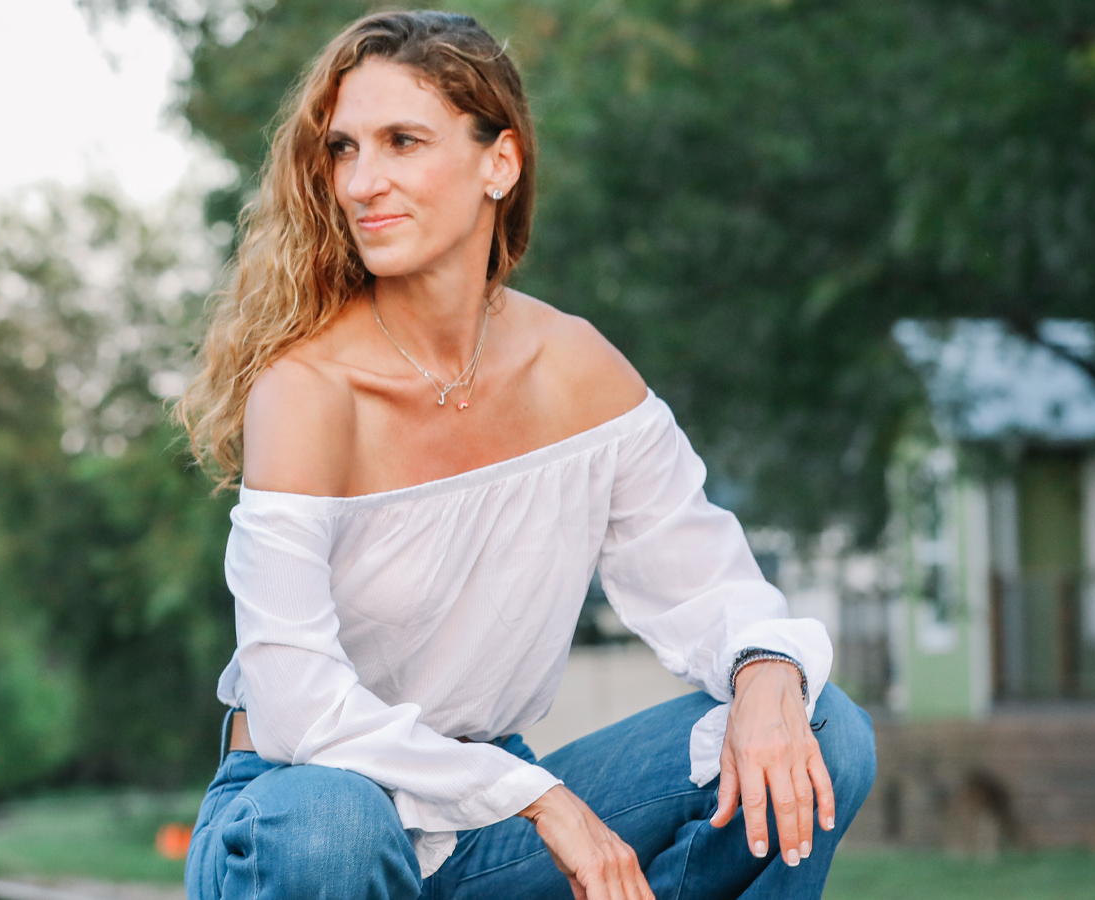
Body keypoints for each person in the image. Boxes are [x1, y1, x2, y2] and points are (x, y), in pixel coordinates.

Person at [171, 10, 875, 900]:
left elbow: (709, 587)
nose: (362, 181)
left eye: (402, 142)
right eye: (344, 149)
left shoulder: (576, 370)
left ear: (498, 161)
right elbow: (294, 700)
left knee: (823, 731)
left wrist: (767, 672)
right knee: (333, 824)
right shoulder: (308, 391)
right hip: (299, 813)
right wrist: (541, 798)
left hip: (487, 823)